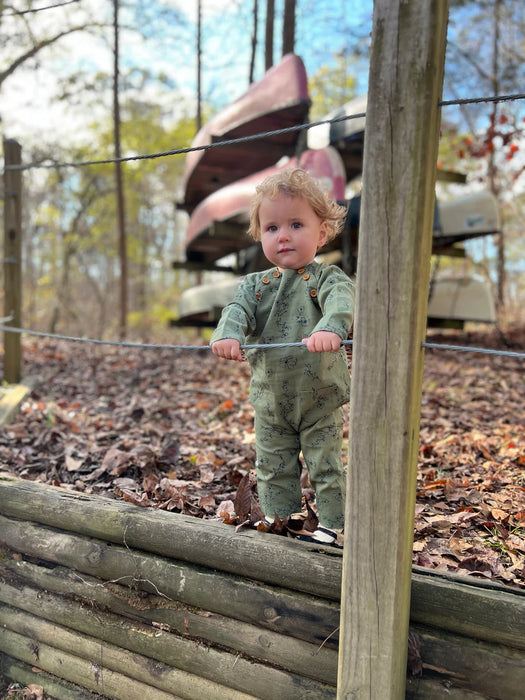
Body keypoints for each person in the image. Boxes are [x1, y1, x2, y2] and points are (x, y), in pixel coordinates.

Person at [211, 168, 354, 546]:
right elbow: (236, 311)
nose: (284, 235)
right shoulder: (254, 286)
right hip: (271, 399)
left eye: (295, 224)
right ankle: (280, 517)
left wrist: (331, 328)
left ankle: (334, 524)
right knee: (273, 463)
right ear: (260, 234)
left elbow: (341, 302)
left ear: (321, 232)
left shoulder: (327, 278)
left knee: (325, 463)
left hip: (319, 397)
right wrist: (228, 334)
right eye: (272, 228)